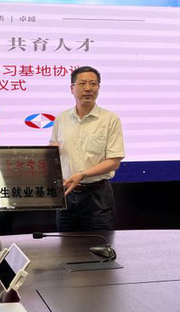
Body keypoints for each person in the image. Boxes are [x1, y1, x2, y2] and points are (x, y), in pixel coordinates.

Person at [50, 66, 125, 231]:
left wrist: (83, 174)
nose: (88, 88)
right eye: (82, 83)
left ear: (98, 87)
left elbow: (114, 161)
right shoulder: (61, 119)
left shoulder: (110, 119)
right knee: (66, 244)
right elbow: (53, 152)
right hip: (67, 194)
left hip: (97, 196)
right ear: (72, 88)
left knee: (99, 244)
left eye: (93, 84)